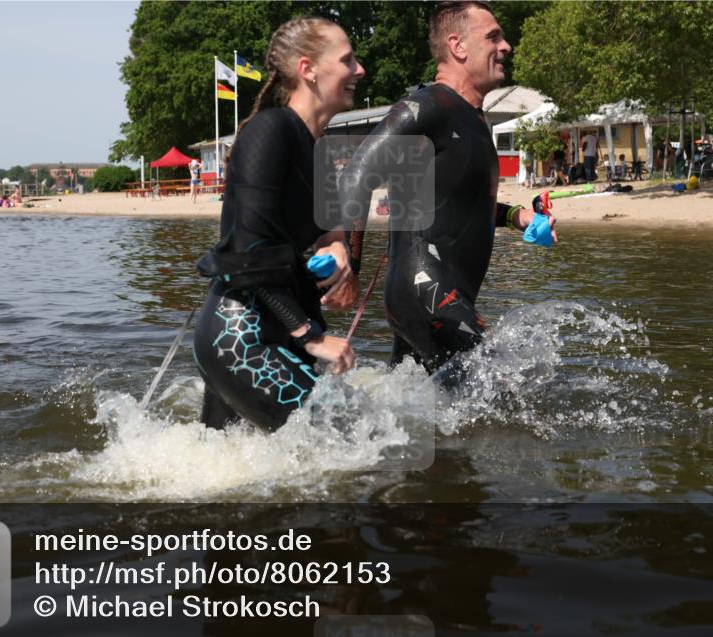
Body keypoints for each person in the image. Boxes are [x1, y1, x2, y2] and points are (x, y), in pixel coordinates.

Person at [338, 1, 557, 382]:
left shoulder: (469, 117)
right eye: (493, 37)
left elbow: (457, 199)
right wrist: (348, 269)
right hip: (427, 291)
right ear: (458, 46)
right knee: (511, 392)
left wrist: (515, 217)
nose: (506, 46)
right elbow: (357, 172)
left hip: (433, 296)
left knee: (423, 425)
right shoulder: (428, 106)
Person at [192, 16, 363, 431]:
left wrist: (338, 250)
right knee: (347, 444)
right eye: (347, 60)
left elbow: (330, 227)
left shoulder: (318, 150)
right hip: (239, 336)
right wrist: (310, 336)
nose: (359, 70)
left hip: (273, 328)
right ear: (308, 70)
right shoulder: (270, 131)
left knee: (231, 477)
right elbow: (246, 250)